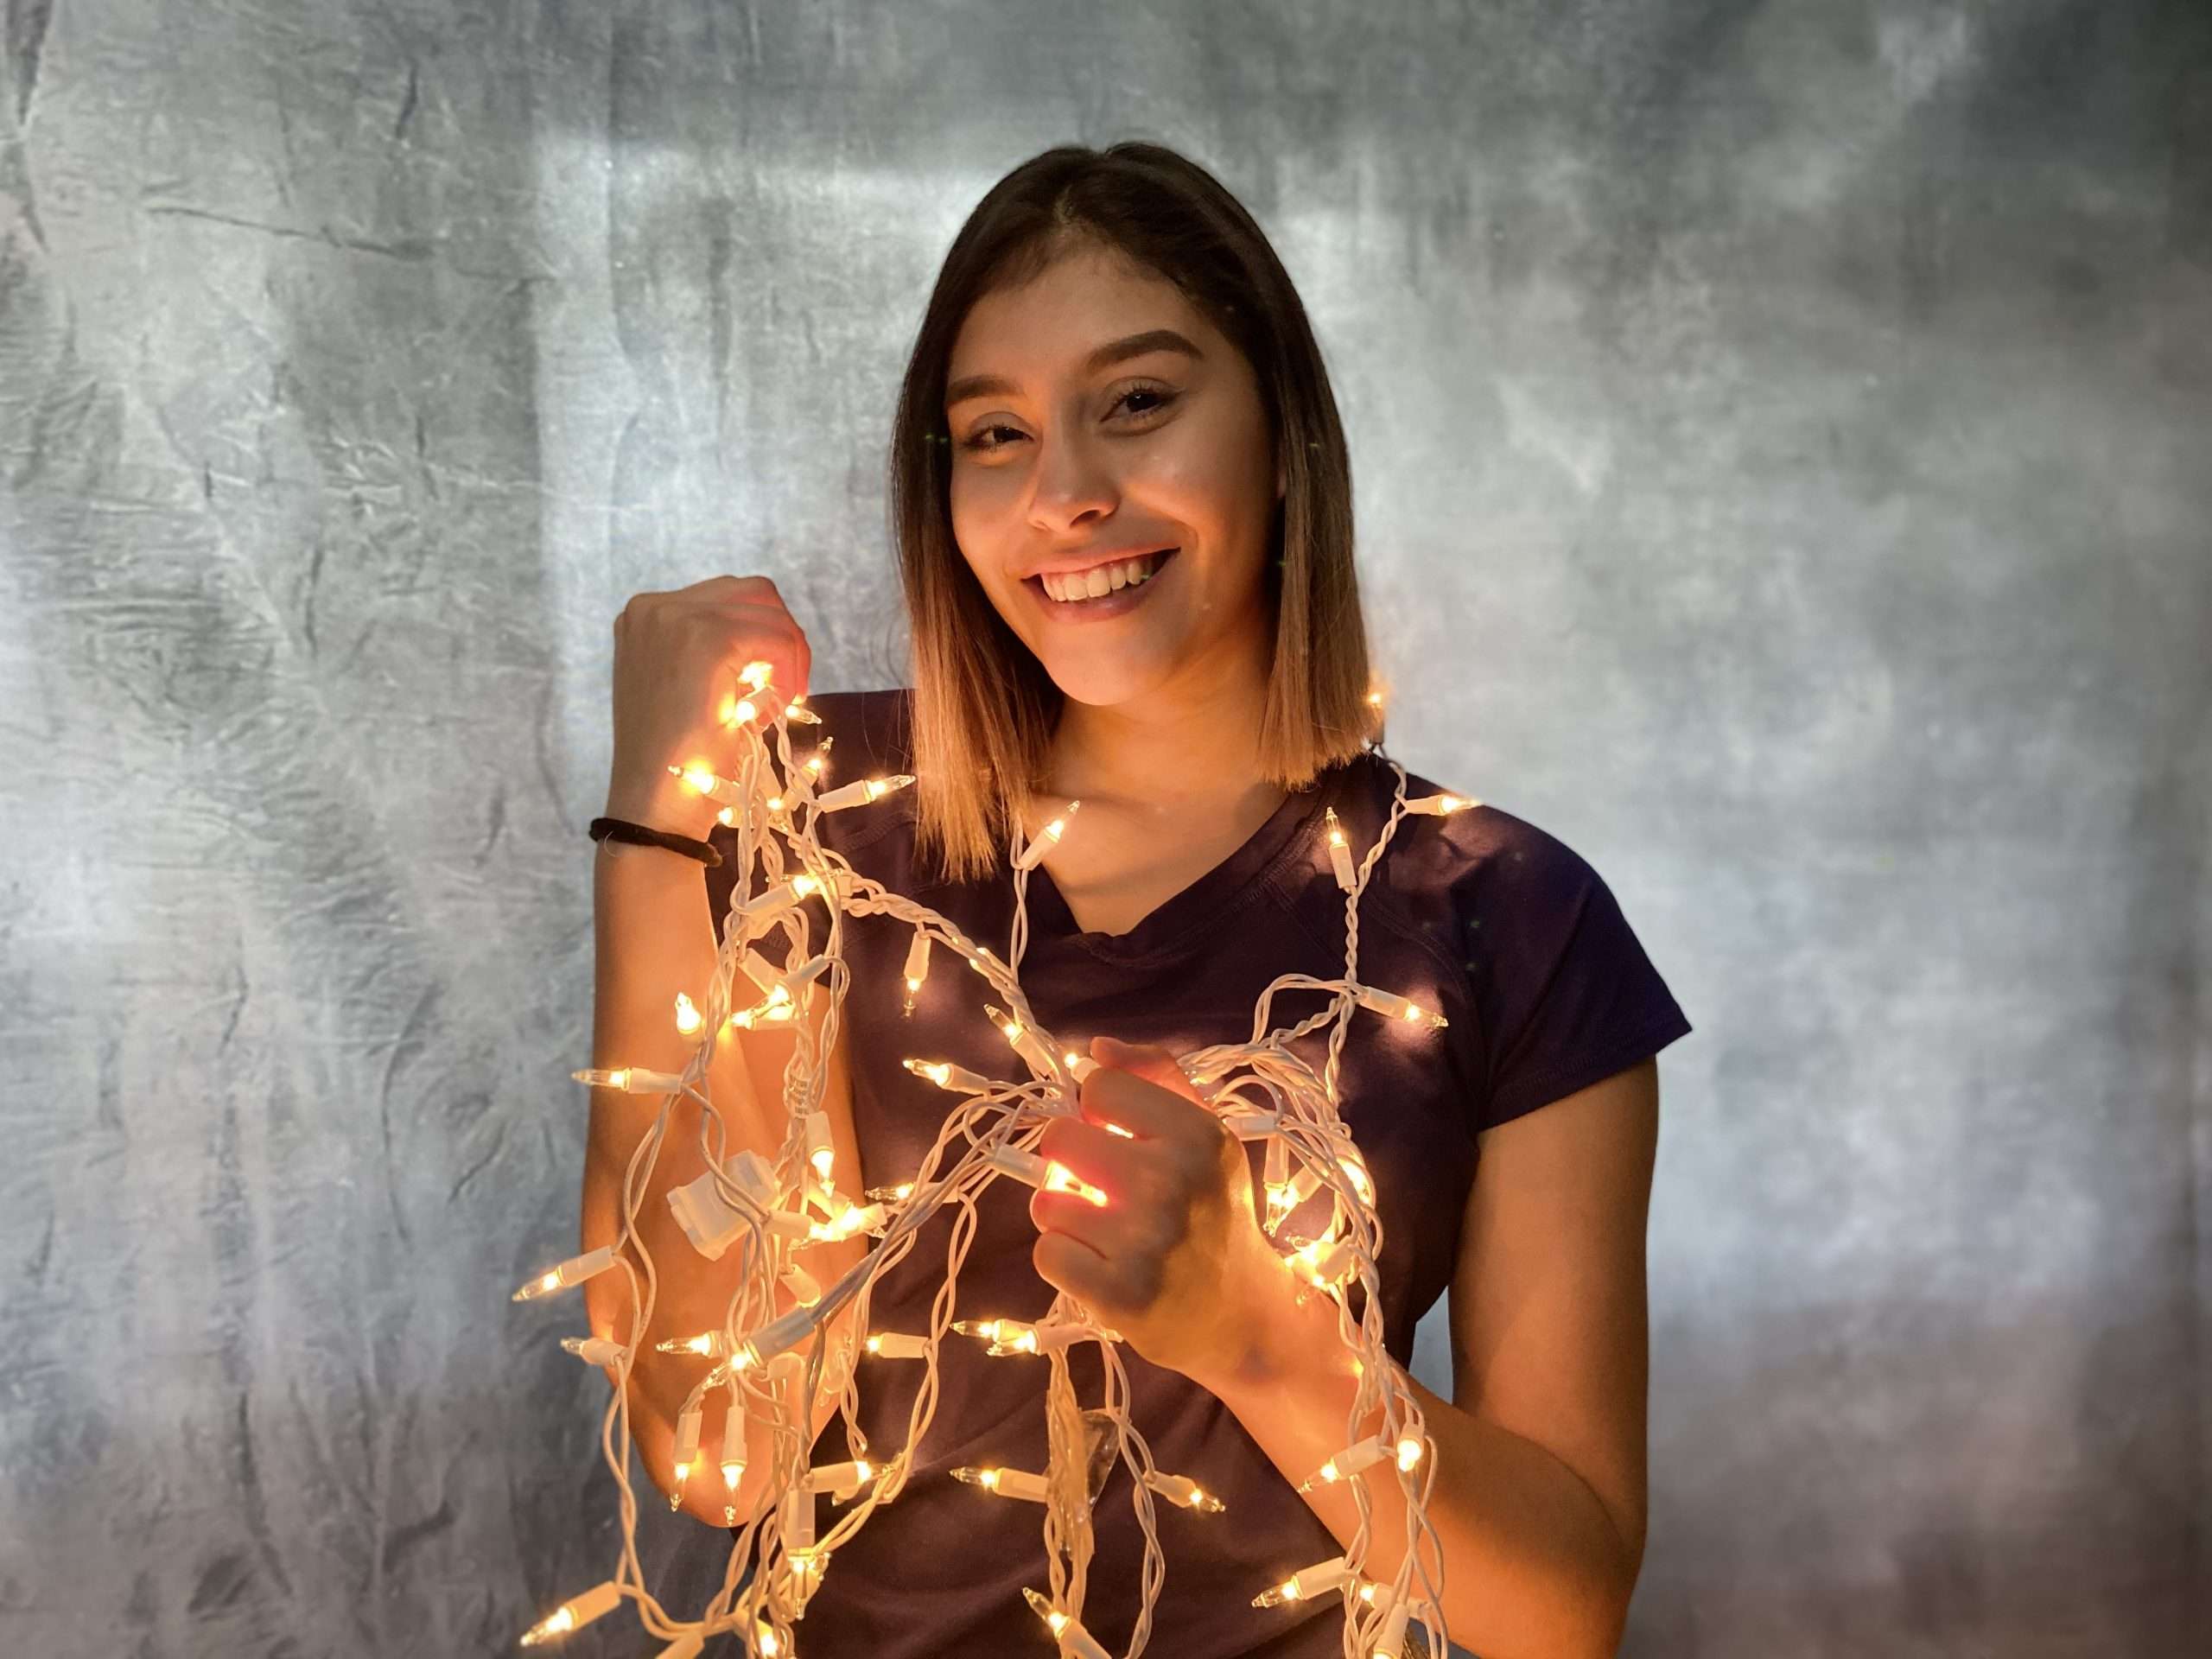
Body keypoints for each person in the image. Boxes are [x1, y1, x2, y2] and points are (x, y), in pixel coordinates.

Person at [583, 142, 1692, 1659]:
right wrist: (660, 822)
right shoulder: (826, 820)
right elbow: (720, 1447)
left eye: (1141, 403)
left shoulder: (1506, 911)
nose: (1068, 498)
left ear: (1285, 435)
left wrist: (1264, 1336)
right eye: (995, 433)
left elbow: (1559, 1615)